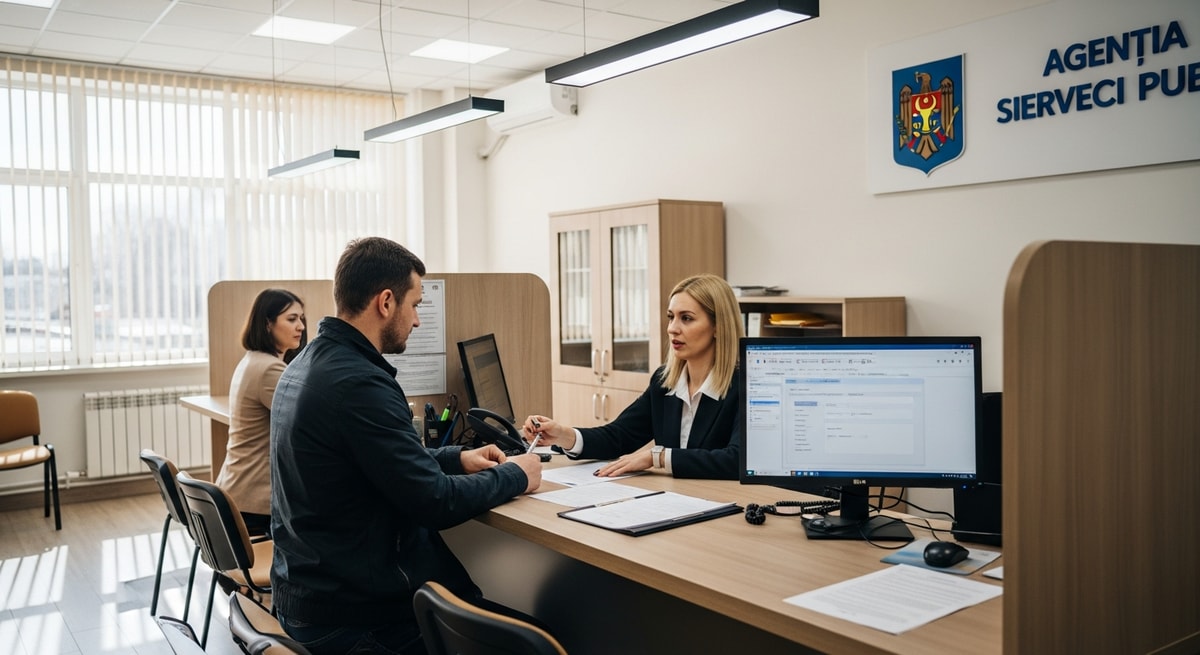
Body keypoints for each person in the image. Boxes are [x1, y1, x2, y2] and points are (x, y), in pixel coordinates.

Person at [269, 236, 544, 655]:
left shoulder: (307, 364)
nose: (417, 320)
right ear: (385, 302)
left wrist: (456, 457)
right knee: (535, 641)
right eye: (415, 304)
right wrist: (516, 475)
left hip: (308, 596)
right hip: (356, 618)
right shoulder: (359, 382)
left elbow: (373, 461)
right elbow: (433, 501)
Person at [523, 273, 745, 480]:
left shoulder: (747, 385)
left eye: (686, 318)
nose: (672, 329)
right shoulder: (664, 382)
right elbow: (619, 435)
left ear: (718, 327)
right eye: (671, 317)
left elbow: (737, 459)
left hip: (726, 508)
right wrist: (563, 435)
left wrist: (656, 457)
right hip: (675, 499)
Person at [213, 288, 306, 536]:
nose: (301, 327)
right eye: (291, 319)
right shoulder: (269, 369)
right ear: (267, 323)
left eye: (301, 319)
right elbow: (307, 420)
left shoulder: (252, 360)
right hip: (255, 501)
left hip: (235, 490)